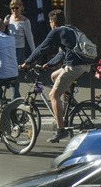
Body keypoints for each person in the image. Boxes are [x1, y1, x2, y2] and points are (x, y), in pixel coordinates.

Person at [20, 9, 92, 144]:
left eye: (50, 22)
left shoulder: (56, 31)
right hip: (85, 65)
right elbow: (63, 53)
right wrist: (49, 64)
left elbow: (42, 48)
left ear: (53, 22)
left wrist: (27, 63)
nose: (50, 24)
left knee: (53, 95)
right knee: (54, 76)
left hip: (74, 67)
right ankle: (69, 104)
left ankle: (61, 130)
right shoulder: (70, 29)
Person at [4, 0, 35, 98]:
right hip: (9, 48)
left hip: (19, 49)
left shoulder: (25, 21)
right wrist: (4, 24)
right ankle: (16, 95)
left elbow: (30, 38)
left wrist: (34, 54)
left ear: (21, 7)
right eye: (12, 8)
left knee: (14, 72)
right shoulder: (9, 19)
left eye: (16, 7)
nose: (14, 10)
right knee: (7, 72)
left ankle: (15, 96)